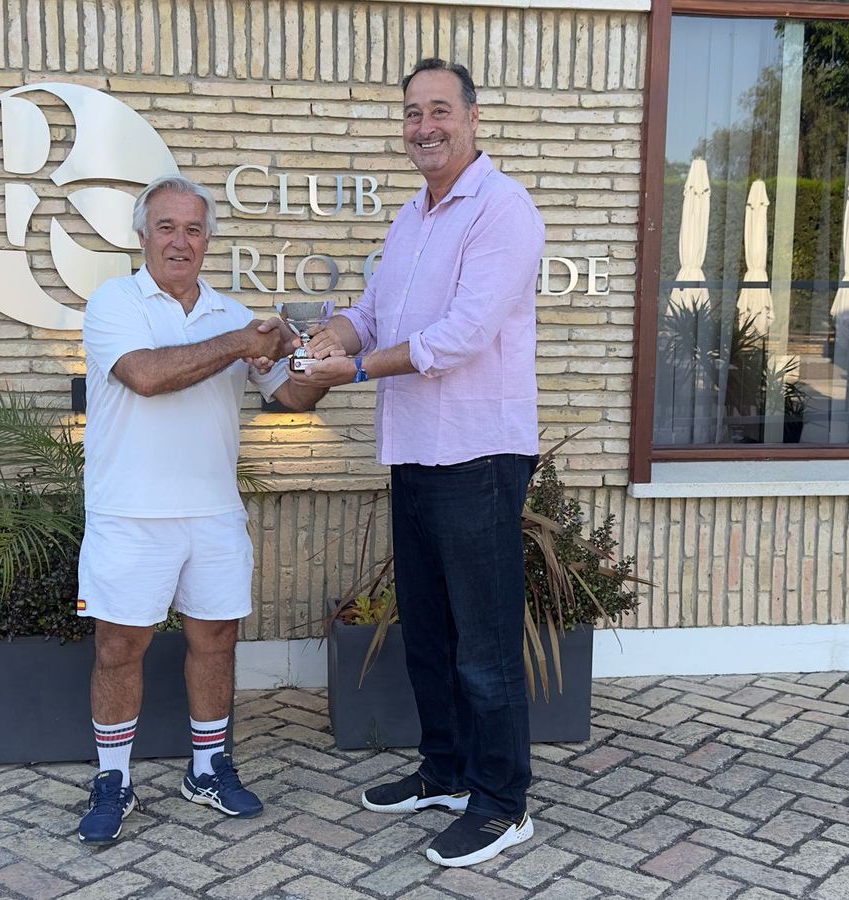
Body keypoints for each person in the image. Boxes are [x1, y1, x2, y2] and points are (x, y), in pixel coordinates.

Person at [289, 58, 545, 868]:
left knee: (487, 641)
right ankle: (447, 773)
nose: (423, 126)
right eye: (411, 113)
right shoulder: (413, 216)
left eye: (438, 110)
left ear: (473, 119)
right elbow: (376, 311)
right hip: (416, 453)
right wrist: (337, 333)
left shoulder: (503, 212)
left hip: (477, 456)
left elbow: (463, 335)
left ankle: (503, 804)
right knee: (431, 631)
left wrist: (356, 370)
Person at [75, 174, 323, 844]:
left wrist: (310, 359)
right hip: (129, 512)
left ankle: (208, 767)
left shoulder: (232, 313)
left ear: (208, 239)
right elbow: (147, 376)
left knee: (216, 642)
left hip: (213, 513)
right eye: (166, 227)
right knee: (118, 646)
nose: (179, 241)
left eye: (192, 229)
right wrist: (243, 343)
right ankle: (114, 779)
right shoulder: (113, 302)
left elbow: (290, 399)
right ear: (142, 235)